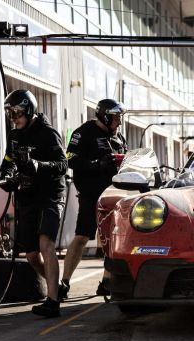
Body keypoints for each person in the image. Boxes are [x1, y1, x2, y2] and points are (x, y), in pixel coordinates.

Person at [0, 89, 68, 318]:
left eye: (16, 112)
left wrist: (38, 165)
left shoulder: (49, 134)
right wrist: (5, 177)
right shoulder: (14, 136)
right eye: (10, 114)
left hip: (50, 195)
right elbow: (8, 161)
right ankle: (55, 286)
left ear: (29, 109)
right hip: (27, 196)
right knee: (30, 255)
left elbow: (62, 166)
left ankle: (53, 301)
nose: (13, 118)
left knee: (45, 243)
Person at [60, 99, 127, 299]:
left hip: (115, 195)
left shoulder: (119, 137)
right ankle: (64, 282)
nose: (119, 122)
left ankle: (106, 282)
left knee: (113, 241)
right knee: (81, 237)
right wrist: (97, 163)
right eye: (116, 118)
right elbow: (69, 159)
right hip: (91, 196)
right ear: (105, 116)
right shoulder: (83, 133)